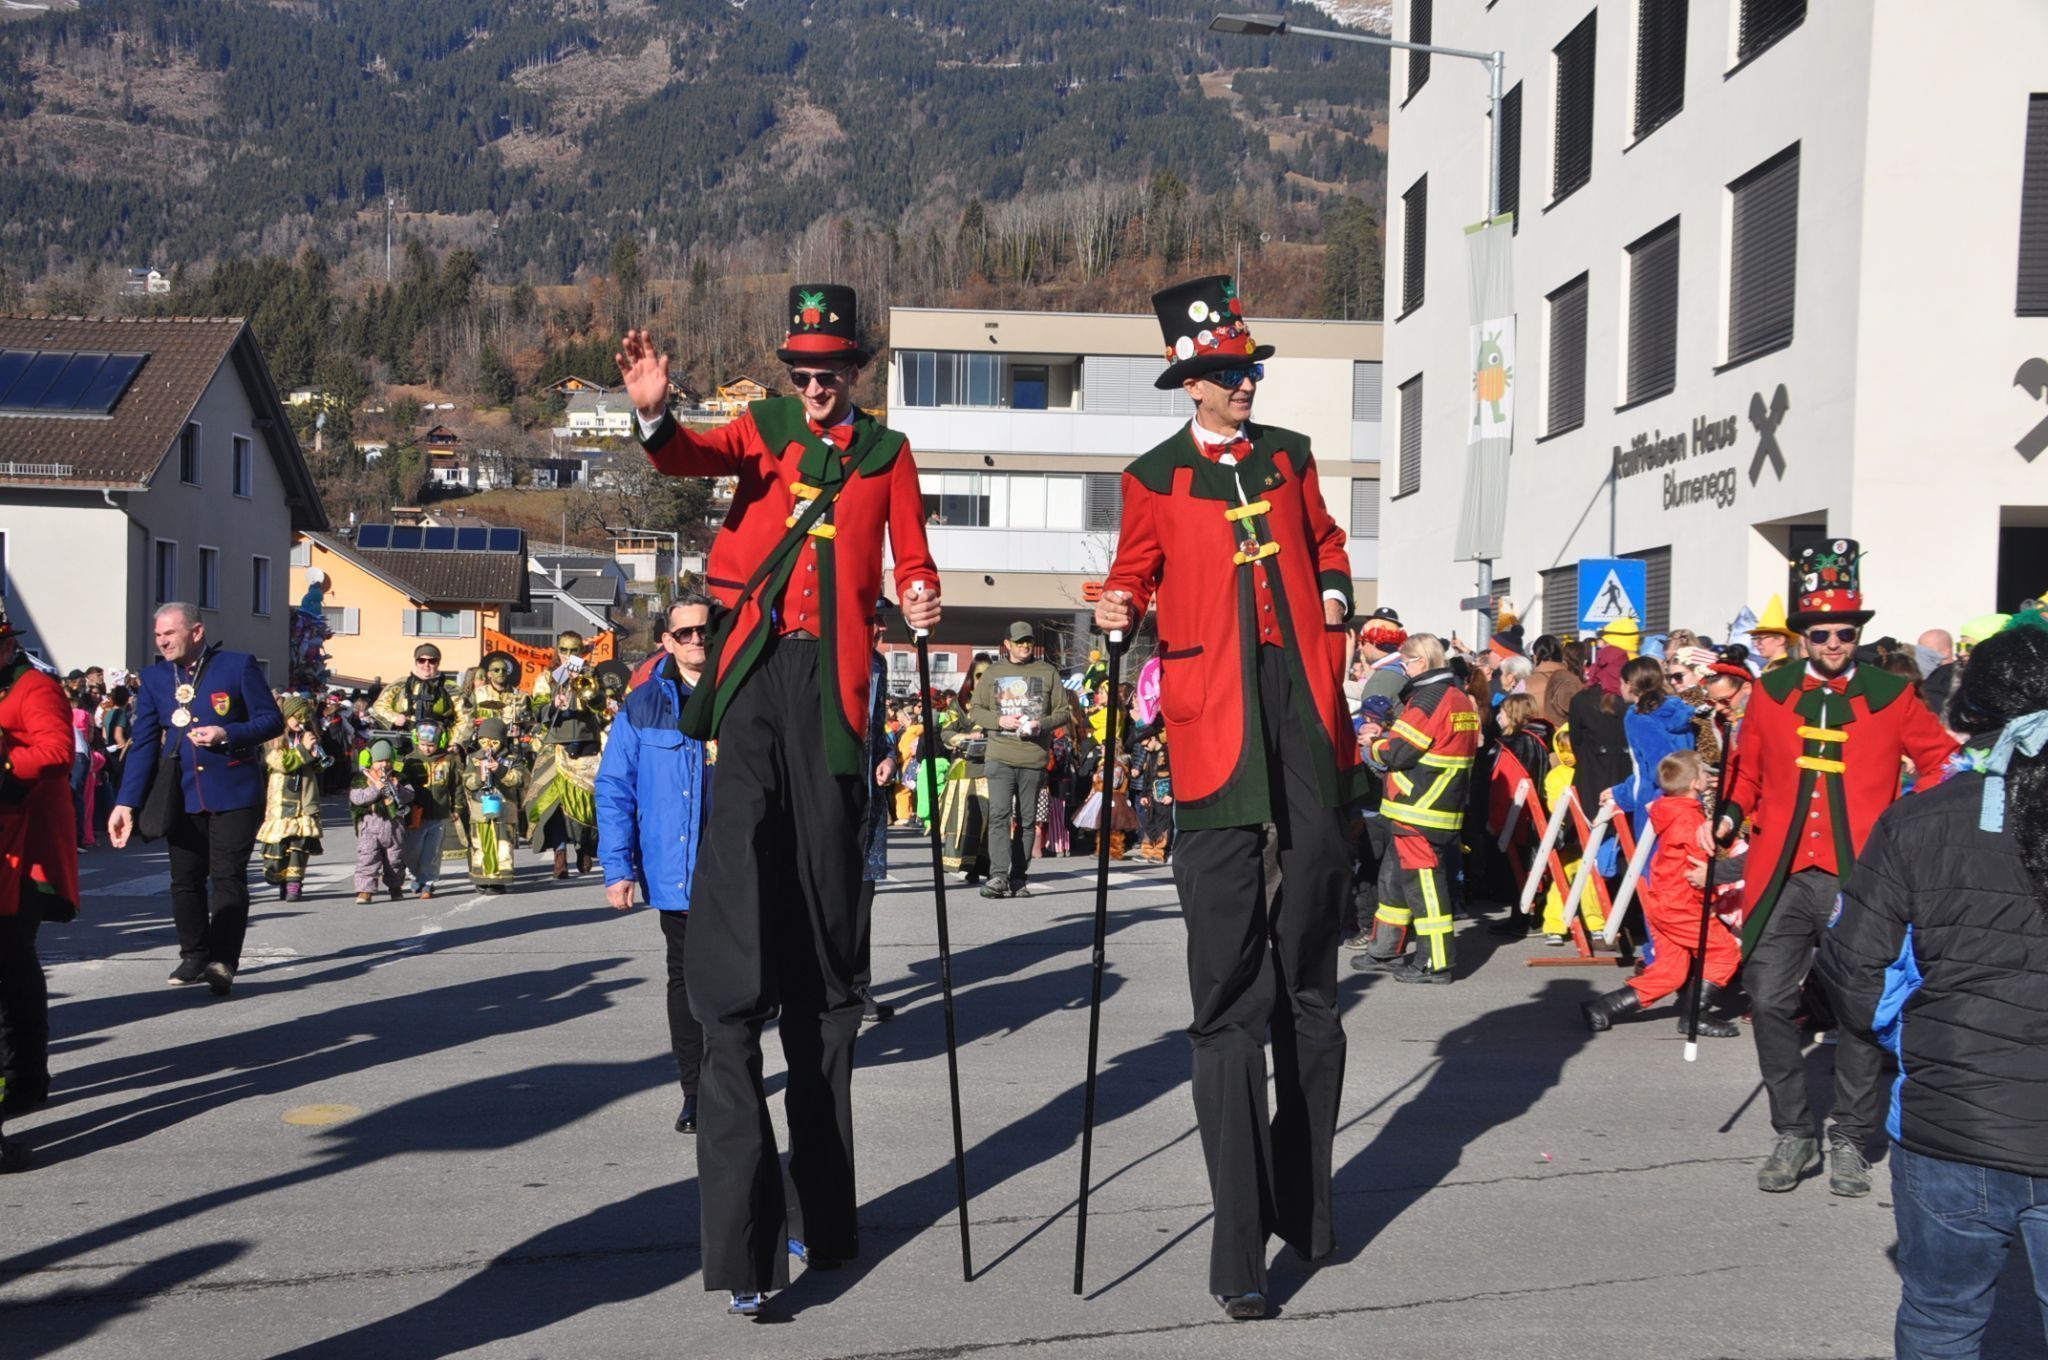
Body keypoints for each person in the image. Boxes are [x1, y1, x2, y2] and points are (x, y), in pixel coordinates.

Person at [617, 282, 941, 1317]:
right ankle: (755, 1229)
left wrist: (926, 593)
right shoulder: (760, 428)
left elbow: (914, 556)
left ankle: (828, 1209)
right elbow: (687, 456)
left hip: (836, 689)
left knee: (826, 941)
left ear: (856, 371)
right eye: (802, 369)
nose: (814, 385)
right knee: (744, 870)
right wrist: (654, 411)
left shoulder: (886, 453)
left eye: (830, 370)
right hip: (753, 670)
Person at [1096, 274, 1354, 1319]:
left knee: (1309, 990)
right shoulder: (1153, 476)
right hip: (1212, 726)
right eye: (1223, 374)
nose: (1241, 386)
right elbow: (1132, 576)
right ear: (1190, 384)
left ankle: (1308, 1206)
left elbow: (1327, 543)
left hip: (1301, 706)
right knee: (1227, 1007)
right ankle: (1237, 1250)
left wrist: (1332, 592)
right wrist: (1117, 612)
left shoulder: (1289, 457)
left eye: (1246, 371)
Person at [1813, 623, 2048, 1360]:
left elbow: (1853, 972)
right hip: (1963, 1112)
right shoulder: (1925, 818)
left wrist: (1913, 1032)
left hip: (1952, 1117)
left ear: (1968, 715)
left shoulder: (1919, 820)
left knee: (1943, 1320)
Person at [1716, 541, 1959, 1197]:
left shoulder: (1894, 697)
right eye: (1820, 631)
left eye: (1844, 631)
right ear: (1803, 635)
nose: (1832, 642)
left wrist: (1912, 825)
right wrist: (1733, 813)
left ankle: (1850, 1136)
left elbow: (1940, 762)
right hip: (1782, 874)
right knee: (1767, 999)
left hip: (1860, 879)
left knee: (1858, 1010)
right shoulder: (1770, 692)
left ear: (1857, 634)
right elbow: (1747, 768)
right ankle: (1794, 1133)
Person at [109, 604, 284, 998]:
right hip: (181, 792)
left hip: (233, 790)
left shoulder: (237, 666)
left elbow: (270, 720)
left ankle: (223, 960)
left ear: (197, 631)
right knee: (184, 880)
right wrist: (126, 802)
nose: (162, 641)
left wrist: (227, 733)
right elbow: (143, 745)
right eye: (157, 635)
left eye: (169, 633)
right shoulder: (154, 678)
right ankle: (193, 953)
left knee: (227, 875)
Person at [596, 595, 715, 1135]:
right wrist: (618, 868)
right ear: (666, 641)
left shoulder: (745, 695)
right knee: (686, 984)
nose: (695, 640)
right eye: (684, 633)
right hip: (676, 873)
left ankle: (731, 1081)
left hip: (741, 871)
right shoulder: (643, 704)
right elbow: (615, 787)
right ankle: (695, 1092)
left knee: (745, 986)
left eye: (703, 632)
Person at [1582, 749, 1743, 1035]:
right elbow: (1699, 869)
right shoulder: (1689, 821)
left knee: (1671, 971)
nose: (1709, 777)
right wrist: (1714, 899)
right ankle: (1697, 1016)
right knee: (1724, 952)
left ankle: (1603, 1007)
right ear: (1695, 783)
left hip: (1664, 901)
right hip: (1683, 904)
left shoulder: (1670, 810)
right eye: (1705, 773)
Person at [1355, 632, 1479, 984]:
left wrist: (1373, 742)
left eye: (1406, 662)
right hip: (1432, 803)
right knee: (1394, 882)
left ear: (1421, 663)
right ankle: (1384, 950)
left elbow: (1400, 751)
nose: (1403, 669)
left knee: (1424, 887)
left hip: (1419, 805)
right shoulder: (1455, 696)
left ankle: (1435, 962)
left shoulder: (1428, 698)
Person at [0, 610, 78, 1166]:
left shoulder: (34, 687)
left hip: (26, 846)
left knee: (11, 959)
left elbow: (56, 754)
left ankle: (24, 1074)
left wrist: (3, 760)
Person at [969, 621, 1072, 898]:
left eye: (1028, 642)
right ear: (1008, 645)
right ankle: (998, 876)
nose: (1025, 647)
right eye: (1019, 642)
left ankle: (1018, 877)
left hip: (1033, 758)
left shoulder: (1047, 672)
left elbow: (1064, 712)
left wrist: (1042, 724)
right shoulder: (994, 673)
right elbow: (976, 710)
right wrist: (998, 719)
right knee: (1000, 815)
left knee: (1028, 821)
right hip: (1000, 756)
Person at [255, 696, 331, 901]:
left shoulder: (306, 736)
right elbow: (282, 763)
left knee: (300, 844)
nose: (301, 722)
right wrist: (303, 750)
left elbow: (317, 767)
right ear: (286, 716)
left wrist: (316, 756)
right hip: (281, 800)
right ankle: (278, 877)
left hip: (305, 799)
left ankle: (294, 885)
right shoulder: (274, 740)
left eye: (305, 718)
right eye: (297, 717)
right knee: (278, 848)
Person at [527, 683, 605, 879]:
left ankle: (584, 847)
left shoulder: (590, 675)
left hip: (586, 748)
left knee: (585, 804)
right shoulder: (547, 679)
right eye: (563, 650)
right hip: (555, 746)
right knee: (551, 806)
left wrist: (591, 694)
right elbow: (537, 711)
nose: (568, 653)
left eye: (572, 650)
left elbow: (601, 707)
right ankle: (559, 854)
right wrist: (553, 705)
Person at [936, 660, 993, 881]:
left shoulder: (1001, 702)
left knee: (989, 820)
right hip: (963, 770)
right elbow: (946, 733)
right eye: (979, 675)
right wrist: (968, 738)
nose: (983, 680)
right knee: (966, 819)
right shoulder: (958, 705)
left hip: (991, 769)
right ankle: (964, 864)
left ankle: (985, 867)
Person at [460, 719, 524, 894]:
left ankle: (499, 880)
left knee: (503, 844)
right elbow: (467, 782)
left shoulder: (512, 758)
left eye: (493, 742)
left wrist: (500, 770)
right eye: (484, 741)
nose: (489, 746)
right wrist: (480, 777)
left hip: (504, 808)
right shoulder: (474, 758)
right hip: (480, 807)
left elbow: (519, 779)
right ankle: (481, 879)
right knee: (481, 843)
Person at [399, 721, 461, 899]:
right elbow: (402, 785)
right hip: (416, 815)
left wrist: (457, 807)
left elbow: (455, 786)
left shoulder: (448, 761)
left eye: (431, 745)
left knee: (432, 851)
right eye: (423, 745)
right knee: (413, 850)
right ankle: (415, 876)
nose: (426, 749)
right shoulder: (411, 760)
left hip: (439, 814)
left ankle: (427, 882)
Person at [349, 741, 413, 904]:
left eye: (386, 761)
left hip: (394, 825)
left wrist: (398, 788)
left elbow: (410, 796)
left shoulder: (399, 777)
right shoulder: (362, 779)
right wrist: (375, 788)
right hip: (370, 824)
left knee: (395, 859)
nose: (383, 765)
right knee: (368, 857)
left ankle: (395, 887)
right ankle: (365, 890)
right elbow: (357, 798)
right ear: (372, 761)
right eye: (379, 761)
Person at [371, 643, 469, 737]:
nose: (426, 665)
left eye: (432, 661)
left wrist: (455, 743)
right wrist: (394, 717)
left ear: (438, 663)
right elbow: (379, 706)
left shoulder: (450, 688)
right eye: (421, 660)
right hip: (403, 736)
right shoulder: (400, 684)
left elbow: (465, 717)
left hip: (438, 740)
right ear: (416, 662)